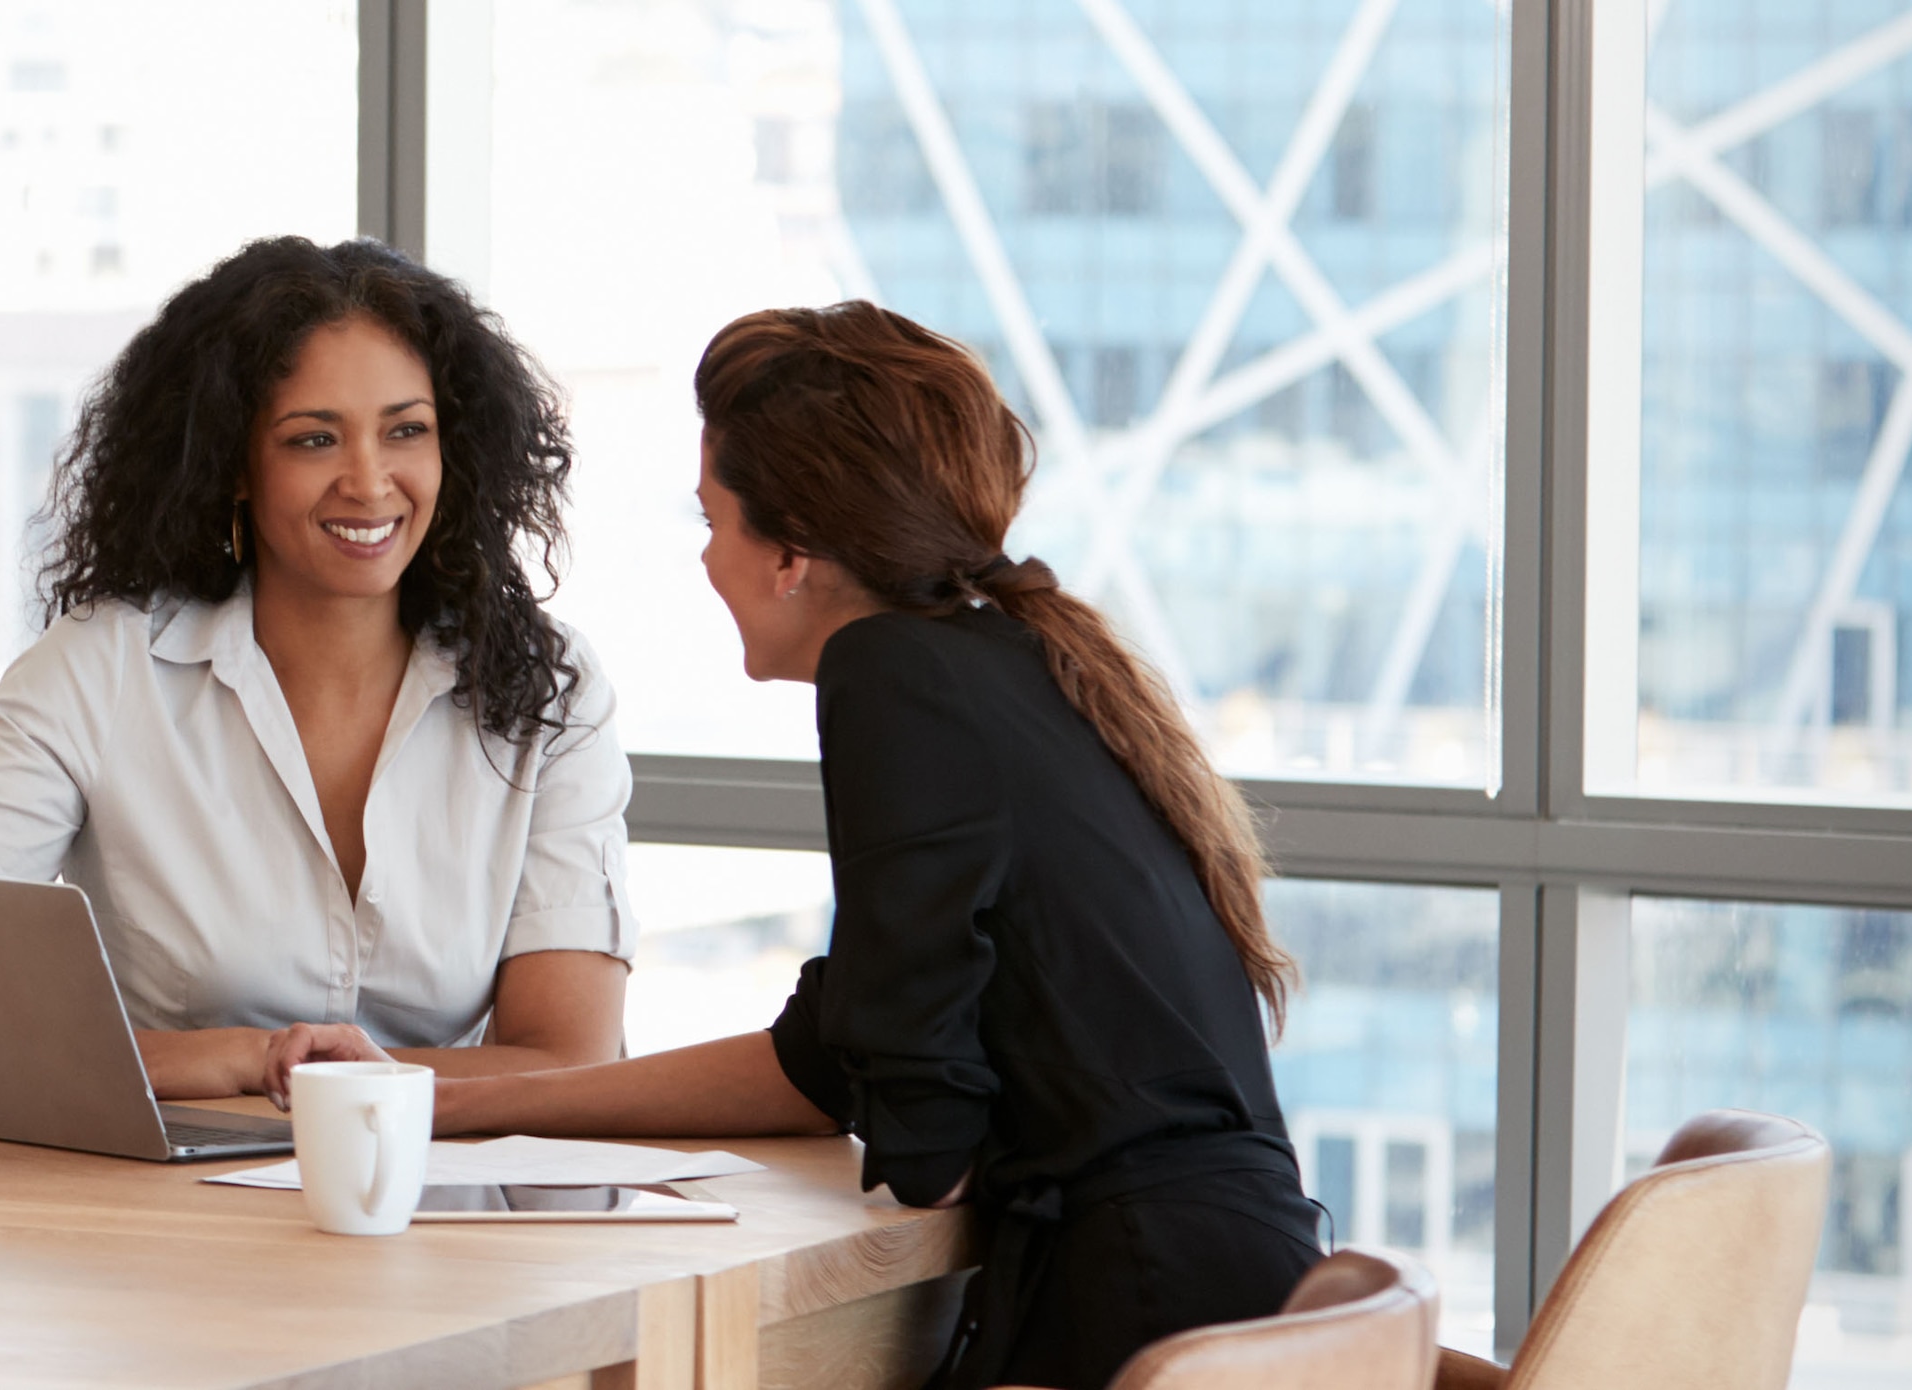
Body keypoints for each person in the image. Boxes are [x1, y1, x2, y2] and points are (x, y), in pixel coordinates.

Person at [426, 302, 1318, 1390]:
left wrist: (914, 1105)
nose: (706, 558)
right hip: (1230, 1289)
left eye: (713, 520)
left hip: (1136, 1309)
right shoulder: (1009, 661)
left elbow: (922, 1134)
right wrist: (454, 1100)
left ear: (790, 552)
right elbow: (825, 1060)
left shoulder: (891, 672)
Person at [0, 236, 636, 1103]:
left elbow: (568, 1060)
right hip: (152, 1197)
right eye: (313, 440)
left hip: (434, 1193)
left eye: (406, 430)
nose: (368, 481)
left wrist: (292, 1075)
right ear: (233, 463)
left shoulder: (546, 691)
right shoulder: (102, 671)